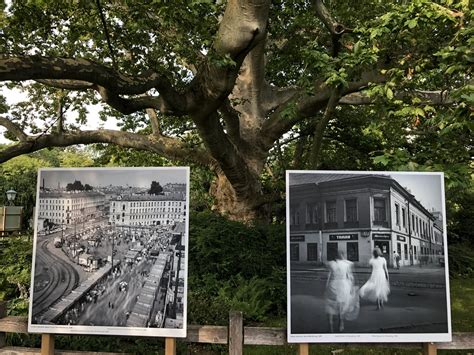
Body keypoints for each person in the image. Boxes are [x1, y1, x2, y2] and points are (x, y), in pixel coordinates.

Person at [325, 250, 359, 332]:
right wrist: (352, 286)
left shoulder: (331, 264)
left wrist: (326, 286)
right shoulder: (347, 264)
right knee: (341, 305)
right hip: (343, 285)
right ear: (343, 255)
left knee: (331, 304)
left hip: (332, 285)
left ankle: (331, 325)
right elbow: (350, 276)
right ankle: (341, 324)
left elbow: (329, 276)